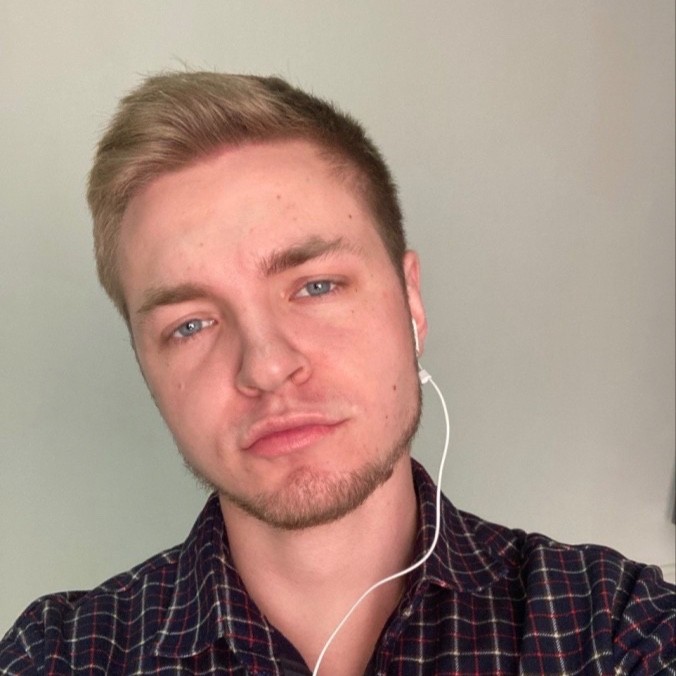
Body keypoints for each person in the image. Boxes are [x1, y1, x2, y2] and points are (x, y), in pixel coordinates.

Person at [0, 72, 674, 676]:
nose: (267, 367)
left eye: (316, 286)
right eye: (191, 324)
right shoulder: (59, 654)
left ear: (411, 303)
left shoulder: (613, 629)